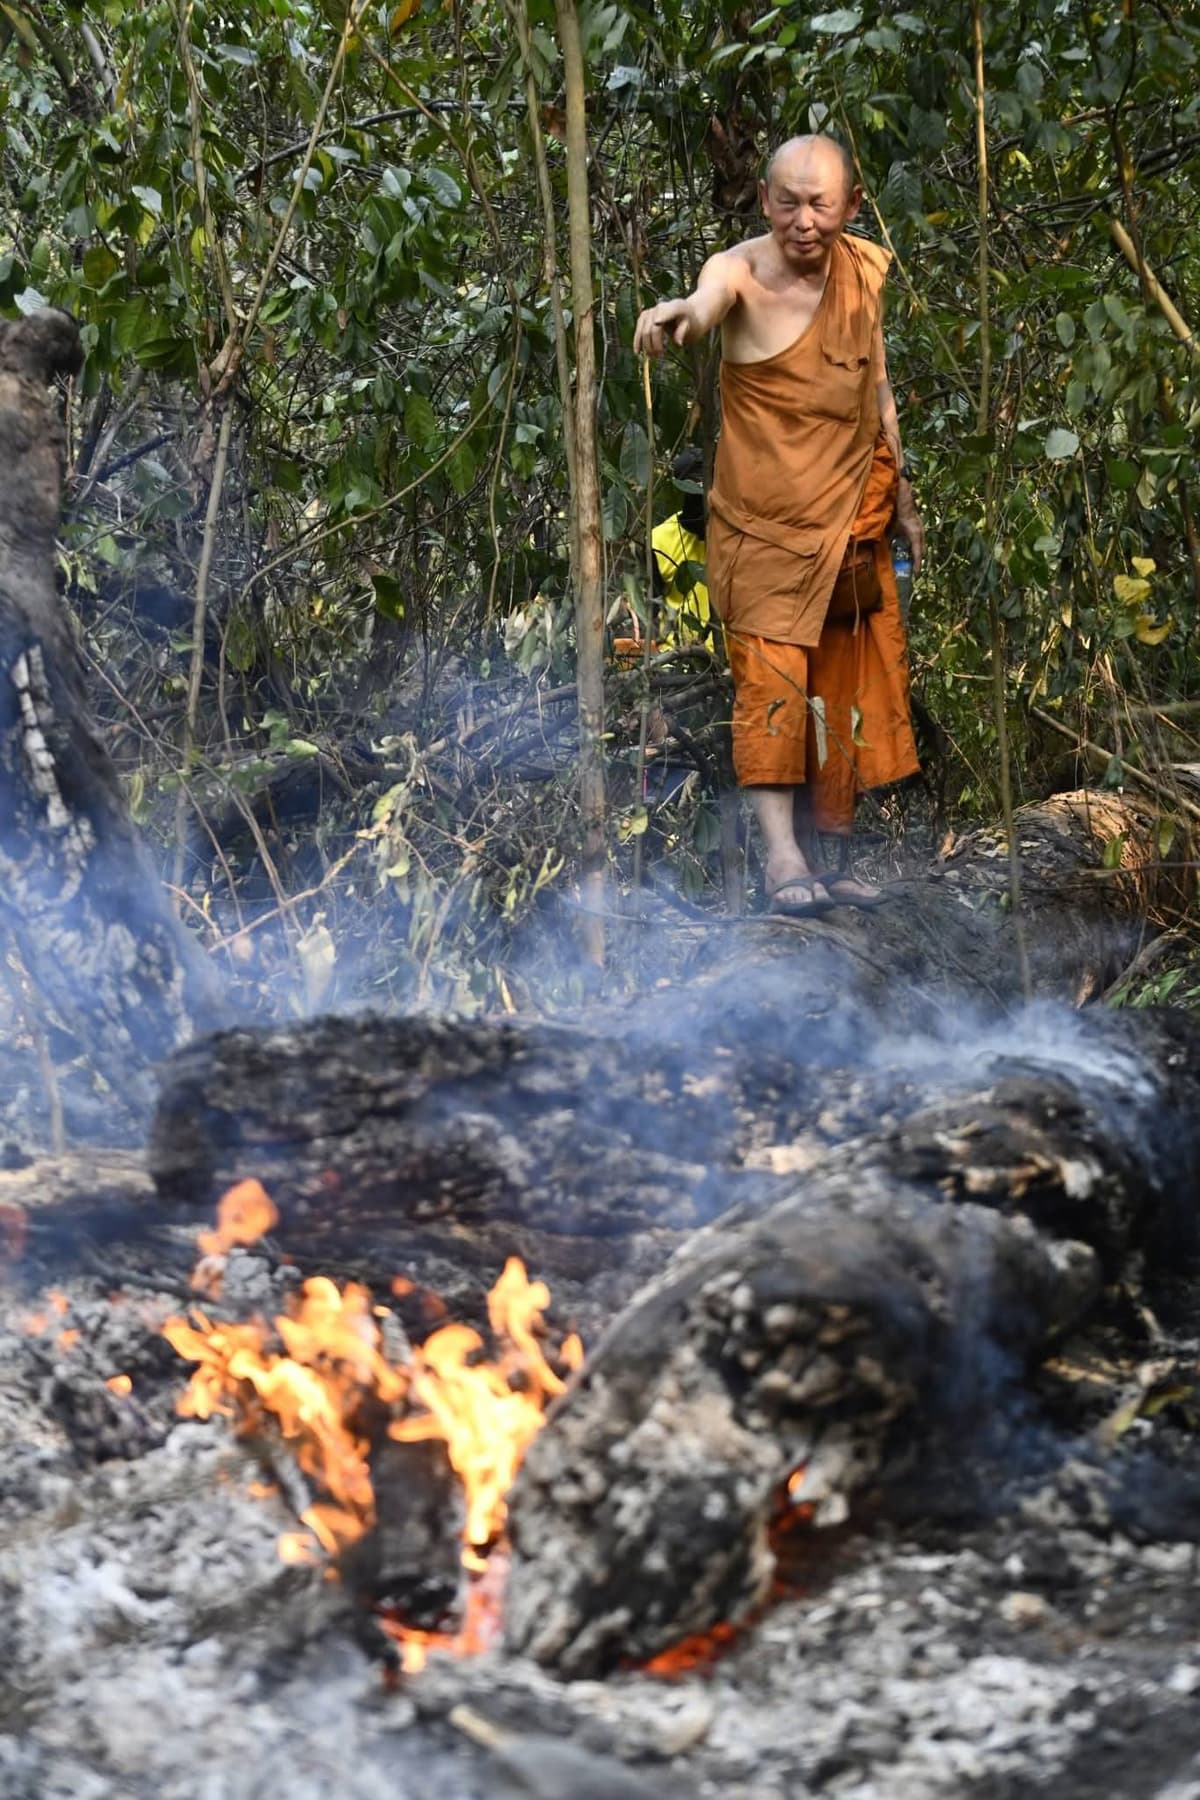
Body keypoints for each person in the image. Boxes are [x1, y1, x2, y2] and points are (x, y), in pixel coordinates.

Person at [633, 133, 923, 914]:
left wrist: (903, 503)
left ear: (852, 206)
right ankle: (783, 861)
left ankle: (831, 857)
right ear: (764, 201)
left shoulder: (862, 272)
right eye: (788, 202)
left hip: (849, 529)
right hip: (764, 534)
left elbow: (879, 386)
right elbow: (705, 302)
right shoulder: (740, 272)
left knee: (839, 691)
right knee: (774, 691)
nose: (804, 220)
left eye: (821, 204)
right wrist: (679, 315)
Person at [651, 447, 711, 647]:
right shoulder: (658, 540)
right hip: (677, 658)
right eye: (695, 489)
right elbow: (649, 611)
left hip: (733, 660)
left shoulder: (733, 535)